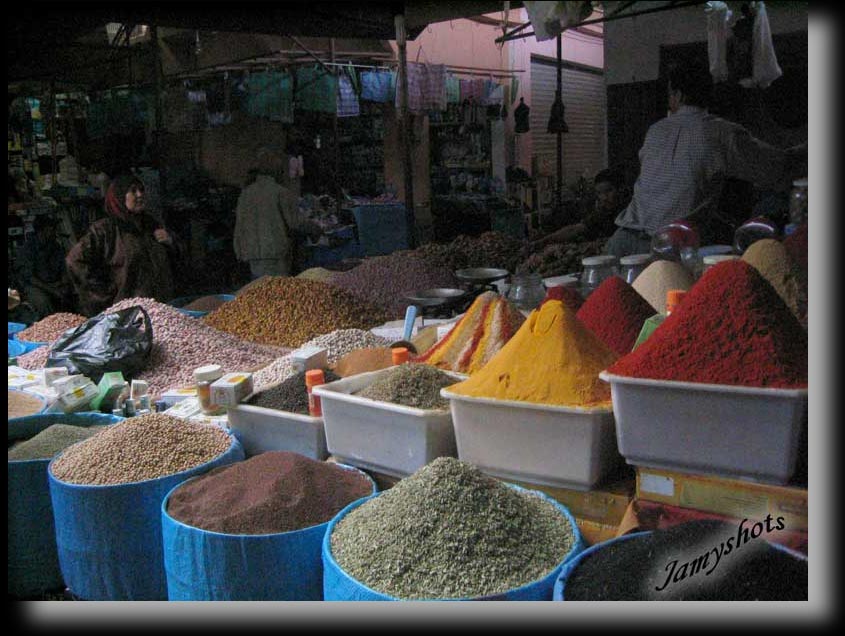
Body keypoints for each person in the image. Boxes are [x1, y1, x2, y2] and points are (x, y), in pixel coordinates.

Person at [605, 59, 807, 258]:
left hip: (621, 242)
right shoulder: (721, 133)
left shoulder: (655, 130)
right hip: (668, 248)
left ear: (678, 95)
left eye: (669, 95)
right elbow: (776, 165)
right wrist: (804, 150)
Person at [66, 174, 182, 316]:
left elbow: (173, 261)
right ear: (119, 196)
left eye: (141, 190)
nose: (139, 195)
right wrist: (105, 294)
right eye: (133, 191)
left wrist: (171, 242)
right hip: (126, 314)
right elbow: (74, 260)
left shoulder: (151, 225)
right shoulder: (105, 230)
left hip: (159, 310)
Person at [233, 147, 318, 279]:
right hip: (275, 256)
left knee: (258, 293)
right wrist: (315, 229)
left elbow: (239, 226)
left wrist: (239, 251)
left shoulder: (245, 194)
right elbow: (295, 222)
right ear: (274, 169)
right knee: (277, 293)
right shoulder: (280, 192)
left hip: (252, 256)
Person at [529, 168, 628, 251]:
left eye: (608, 191)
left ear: (621, 189)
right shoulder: (602, 212)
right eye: (599, 193)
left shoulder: (631, 211)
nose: (604, 197)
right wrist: (544, 241)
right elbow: (576, 229)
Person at [16, 215, 73, 319]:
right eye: (51, 228)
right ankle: (51, 327)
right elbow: (30, 278)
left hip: (54, 283)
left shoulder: (55, 247)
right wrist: (53, 290)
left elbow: (64, 268)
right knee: (43, 301)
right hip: (34, 286)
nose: (54, 231)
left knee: (71, 296)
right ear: (43, 230)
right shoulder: (28, 249)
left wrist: (64, 284)